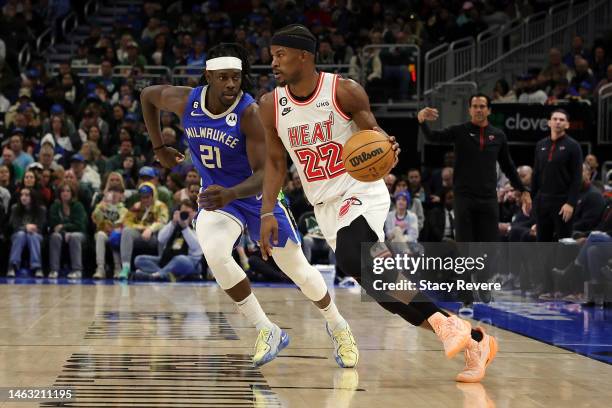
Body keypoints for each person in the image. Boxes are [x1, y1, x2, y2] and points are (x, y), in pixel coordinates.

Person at [259, 24, 496, 383]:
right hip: (324, 206)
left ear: (304, 56)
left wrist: (388, 146)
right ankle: (472, 340)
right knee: (386, 291)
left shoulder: (344, 91)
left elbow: (375, 135)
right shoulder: (271, 106)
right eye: (271, 55)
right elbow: (276, 162)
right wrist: (266, 210)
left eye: (280, 55)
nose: (272, 63)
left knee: (357, 258)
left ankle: (452, 329)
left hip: (359, 190)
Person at [140, 42, 358, 368]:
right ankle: (266, 329)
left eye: (236, 78)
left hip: (259, 200)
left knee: (299, 271)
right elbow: (147, 96)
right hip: (218, 199)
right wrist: (159, 147)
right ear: (208, 77)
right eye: (224, 78)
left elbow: (268, 173)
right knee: (214, 252)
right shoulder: (186, 100)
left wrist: (231, 194)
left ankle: (339, 325)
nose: (231, 85)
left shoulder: (250, 113)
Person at [418, 95, 531, 242]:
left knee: (488, 245)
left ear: (489, 110)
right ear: (469, 110)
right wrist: (421, 121)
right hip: (464, 198)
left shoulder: (498, 135)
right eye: (475, 106)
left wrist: (523, 190)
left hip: (489, 198)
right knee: (465, 245)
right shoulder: (459, 131)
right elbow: (432, 137)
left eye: (482, 106)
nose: (478, 110)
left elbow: (508, 166)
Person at [532, 109, 583, 242]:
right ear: (549, 123)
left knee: (564, 241)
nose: (558, 122)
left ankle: (564, 264)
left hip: (563, 202)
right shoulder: (540, 145)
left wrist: (571, 203)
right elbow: (536, 173)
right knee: (542, 241)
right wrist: (532, 198)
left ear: (567, 125)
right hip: (542, 201)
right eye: (555, 119)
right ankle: (544, 264)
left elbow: (577, 177)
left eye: (561, 120)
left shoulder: (573, 146)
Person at [133, 199, 203, 281]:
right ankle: (165, 275)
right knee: (139, 259)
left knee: (180, 259)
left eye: (188, 212)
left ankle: (157, 274)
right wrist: (173, 223)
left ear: (195, 213)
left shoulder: (199, 226)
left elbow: (197, 247)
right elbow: (160, 239)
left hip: (189, 262)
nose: (185, 215)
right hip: (167, 260)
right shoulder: (174, 225)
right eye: (183, 212)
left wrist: (185, 228)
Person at [48, 183, 88, 279]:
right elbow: (54, 225)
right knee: (55, 236)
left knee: (74, 236)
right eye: (63, 191)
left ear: (72, 193)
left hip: (79, 233)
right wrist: (64, 231)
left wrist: (64, 226)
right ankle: (54, 270)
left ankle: (77, 270)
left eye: (68, 191)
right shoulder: (55, 207)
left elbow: (80, 225)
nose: (65, 193)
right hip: (61, 234)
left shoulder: (78, 206)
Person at [7, 187, 46, 277]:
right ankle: (13, 265)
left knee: (32, 235)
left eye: (27, 195)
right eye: (21, 195)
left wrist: (29, 229)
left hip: (36, 235)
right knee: (21, 235)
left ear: (33, 197)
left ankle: (37, 267)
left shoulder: (41, 209)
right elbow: (14, 225)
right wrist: (25, 228)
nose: (23, 197)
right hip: (18, 234)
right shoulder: (15, 208)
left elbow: (41, 227)